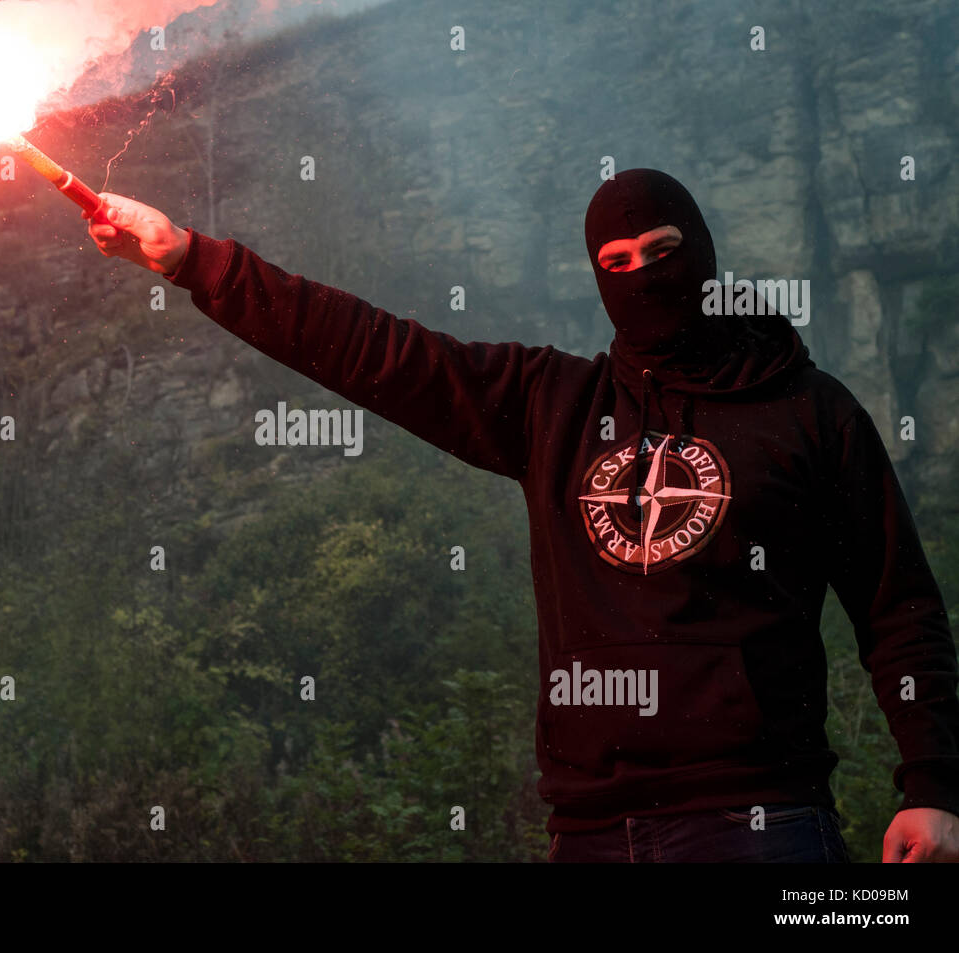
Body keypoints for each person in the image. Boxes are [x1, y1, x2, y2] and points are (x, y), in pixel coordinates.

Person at [82, 168, 959, 862]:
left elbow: (901, 609)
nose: (643, 276)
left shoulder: (810, 411)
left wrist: (935, 782)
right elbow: (369, 347)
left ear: (702, 253)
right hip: (588, 830)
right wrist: (191, 258)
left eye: (661, 251)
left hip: (761, 821)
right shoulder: (552, 403)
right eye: (615, 264)